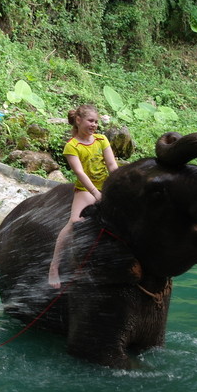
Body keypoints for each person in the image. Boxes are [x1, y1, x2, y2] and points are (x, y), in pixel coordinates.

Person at [48, 104, 118, 288]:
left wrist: (118, 185)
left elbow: (111, 165)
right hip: (86, 189)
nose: (94, 125)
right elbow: (79, 172)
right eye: (90, 121)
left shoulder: (101, 140)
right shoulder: (72, 146)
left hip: (106, 186)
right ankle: (54, 267)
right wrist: (95, 193)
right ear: (78, 120)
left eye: (96, 121)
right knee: (73, 223)